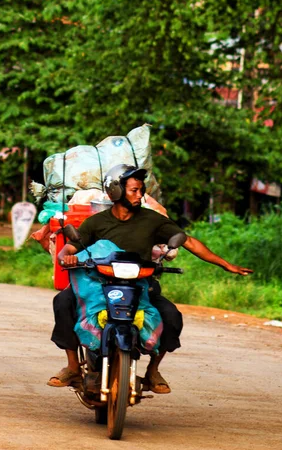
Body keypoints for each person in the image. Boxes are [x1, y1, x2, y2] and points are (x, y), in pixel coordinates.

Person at [47, 164, 253, 393]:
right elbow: (71, 247)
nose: (140, 195)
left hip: (139, 284)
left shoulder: (152, 220)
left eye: (141, 190)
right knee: (63, 302)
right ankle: (73, 367)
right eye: (133, 190)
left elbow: (188, 241)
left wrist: (226, 265)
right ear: (115, 191)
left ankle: (153, 370)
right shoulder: (97, 222)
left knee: (171, 315)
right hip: (99, 283)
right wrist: (67, 258)